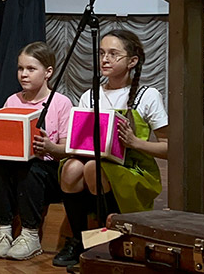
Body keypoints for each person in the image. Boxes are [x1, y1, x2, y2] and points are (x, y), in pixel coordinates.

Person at [54, 29, 168, 267]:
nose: (105, 59)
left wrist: (134, 142)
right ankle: (79, 239)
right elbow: (80, 140)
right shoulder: (90, 96)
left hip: (134, 168)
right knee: (72, 168)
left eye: (113, 54)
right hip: (94, 162)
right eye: (101, 53)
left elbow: (170, 149)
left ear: (132, 61)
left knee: (92, 168)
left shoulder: (148, 96)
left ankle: (108, 237)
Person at [0, 41, 72, 261]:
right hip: (14, 168)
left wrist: (50, 147)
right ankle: (4, 231)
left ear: (48, 72)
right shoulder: (12, 100)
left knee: (31, 168)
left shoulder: (61, 103)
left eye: (31, 69)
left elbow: (67, 149)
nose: (24, 74)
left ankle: (30, 234)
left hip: (47, 171)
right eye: (20, 68)